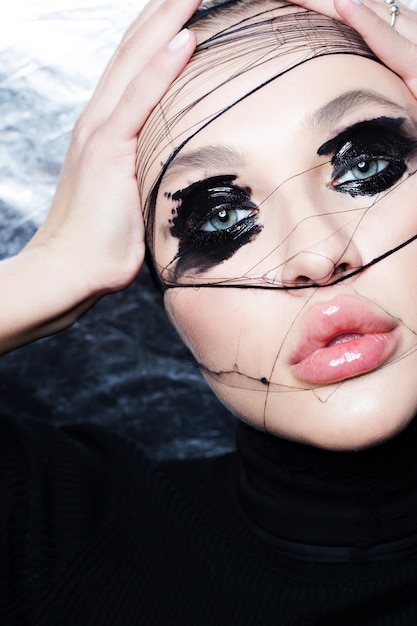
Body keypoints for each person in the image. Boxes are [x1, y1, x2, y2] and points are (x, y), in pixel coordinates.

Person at [2, 0, 417, 623]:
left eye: (367, 166)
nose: (315, 254)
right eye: (218, 219)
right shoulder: (57, 547)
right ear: (157, 292)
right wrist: (58, 264)